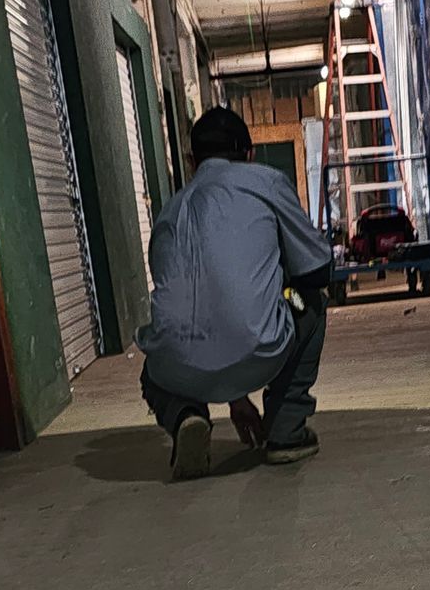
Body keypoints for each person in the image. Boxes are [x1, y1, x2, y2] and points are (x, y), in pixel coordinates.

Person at [138, 105, 333, 480]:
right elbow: (316, 269)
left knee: (156, 361)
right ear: (249, 153)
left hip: (177, 364)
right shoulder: (265, 182)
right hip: (259, 348)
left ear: (191, 161)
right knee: (310, 301)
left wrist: (236, 398)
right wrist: (279, 280)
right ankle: (286, 428)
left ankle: (185, 415)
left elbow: (201, 304)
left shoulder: (170, 211)